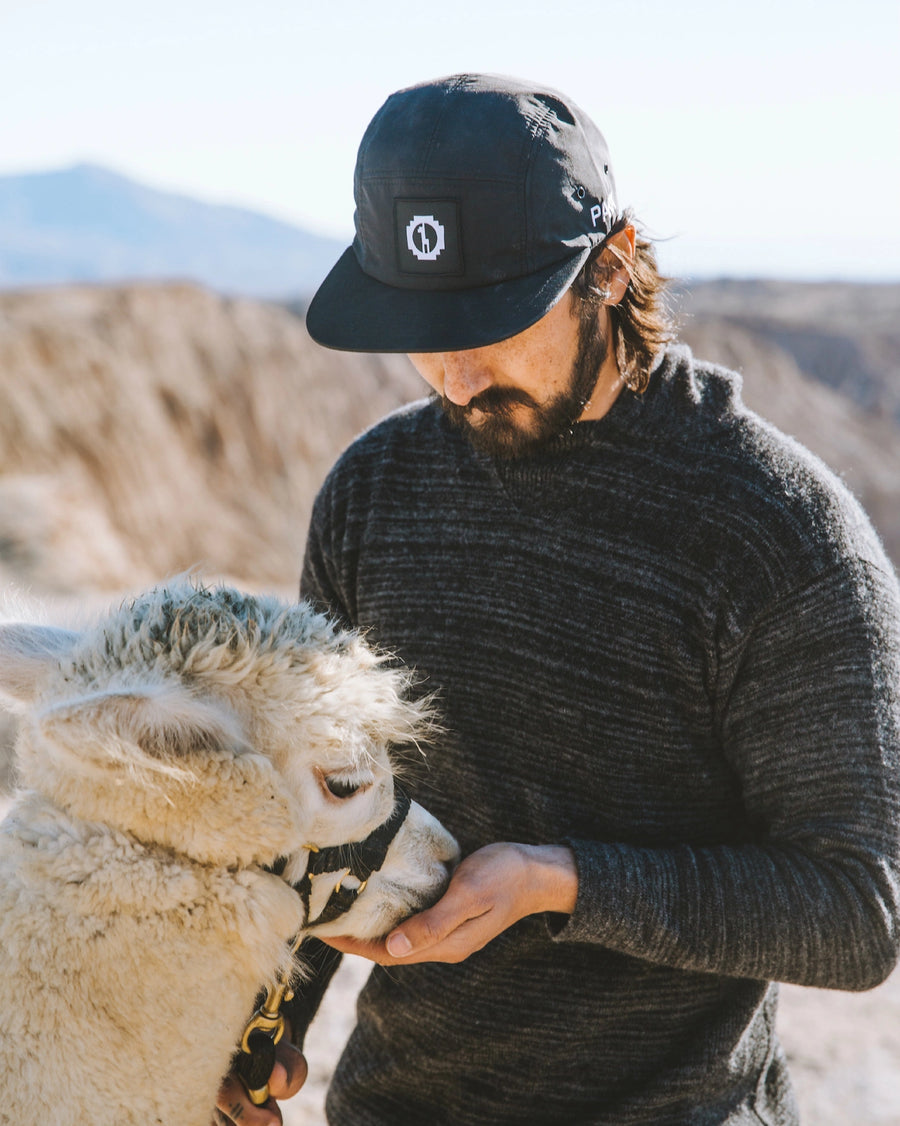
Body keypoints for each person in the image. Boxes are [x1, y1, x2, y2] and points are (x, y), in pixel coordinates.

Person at [218, 73, 900, 1126]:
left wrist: (566, 880)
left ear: (614, 267)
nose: (449, 375)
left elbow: (857, 911)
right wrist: (260, 1037)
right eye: (420, 328)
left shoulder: (778, 533)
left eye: (489, 324)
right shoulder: (373, 492)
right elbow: (318, 805)